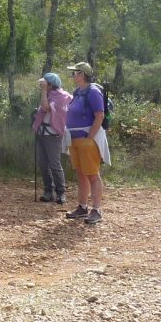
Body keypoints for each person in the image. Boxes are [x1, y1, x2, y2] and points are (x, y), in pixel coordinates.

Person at [63, 62, 109, 225]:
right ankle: (82, 207)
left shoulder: (93, 92)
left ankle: (96, 209)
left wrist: (90, 137)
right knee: (81, 174)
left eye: (74, 73)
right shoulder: (78, 92)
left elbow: (99, 115)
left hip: (87, 141)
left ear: (82, 74)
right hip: (75, 140)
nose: (73, 76)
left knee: (92, 174)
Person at [32, 72, 71, 204]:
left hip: (53, 135)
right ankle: (49, 191)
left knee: (55, 164)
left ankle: (61, 192)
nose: (42, 86)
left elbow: (46, 107)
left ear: (50, 85)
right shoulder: (48, 94)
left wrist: (43, 91)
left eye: (44, 84)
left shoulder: (62, 96)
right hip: (42, 132)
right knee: (43, 164)